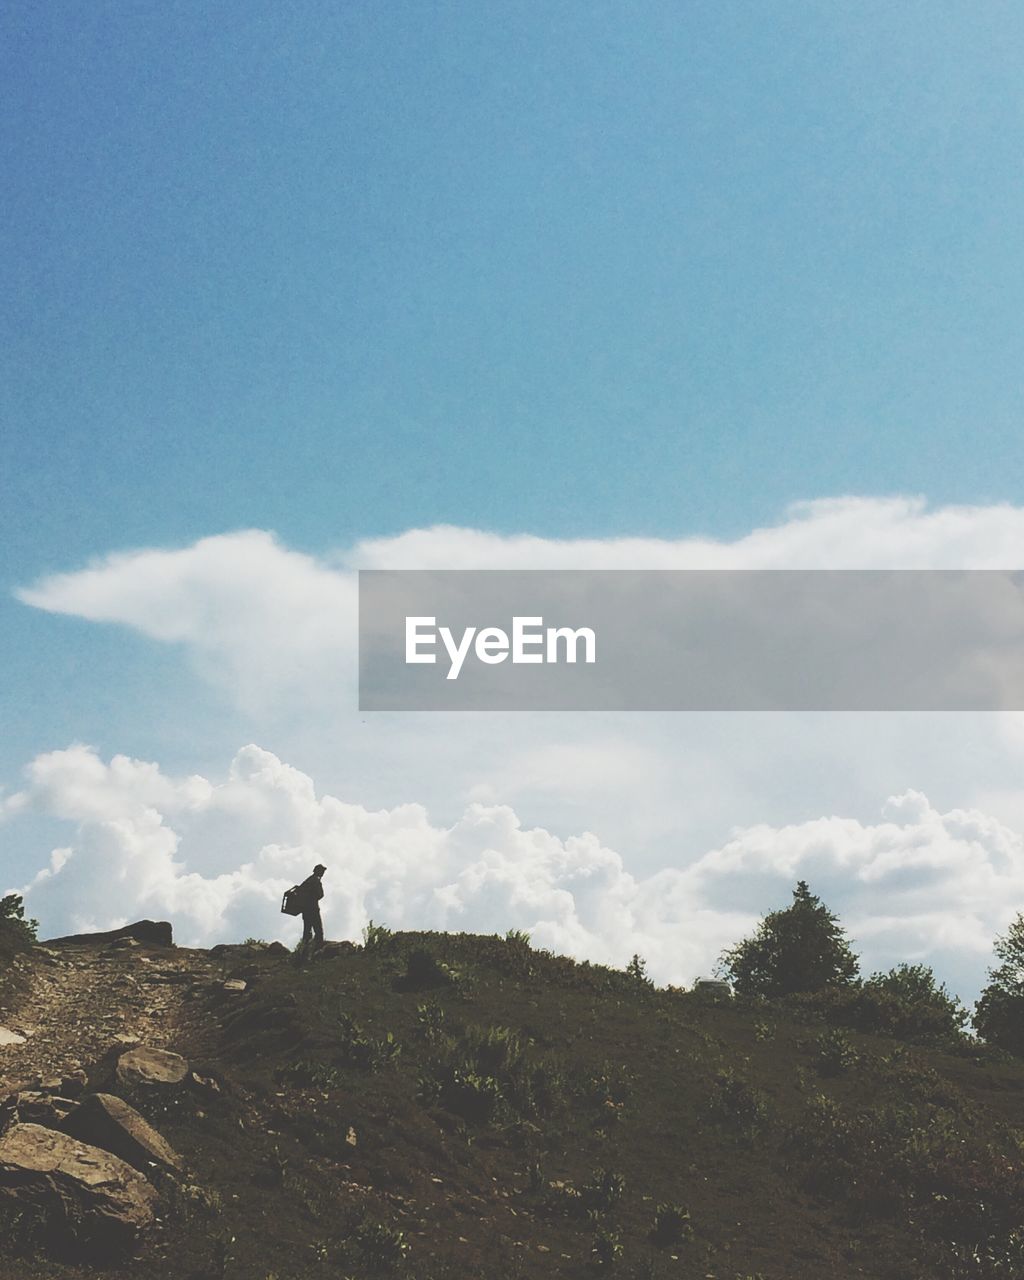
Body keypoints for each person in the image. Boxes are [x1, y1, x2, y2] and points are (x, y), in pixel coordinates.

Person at [298, 863, 326, 948]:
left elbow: (300, 891)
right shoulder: (316, 881)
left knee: (307, 931)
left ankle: (303, 950)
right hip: (313, 909)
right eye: (322, 871)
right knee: (318, 931)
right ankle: (317, 951)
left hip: (305, 910)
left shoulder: (308, 880)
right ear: (318, 871)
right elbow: (320, 894)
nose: (323, 873)